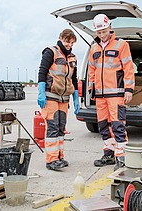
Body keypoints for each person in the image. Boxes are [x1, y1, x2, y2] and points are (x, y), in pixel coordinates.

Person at [88, 14, 135, 170]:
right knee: (103, 125)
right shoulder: (93, 48)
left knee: (118, 125)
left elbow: (128, 68)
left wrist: (128, 89)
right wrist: (91, 89)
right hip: (100, 95)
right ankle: (109, 153)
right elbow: (91, 70)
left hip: (116, 93)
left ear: (110, 28)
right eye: (99, 32)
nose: (102, 34)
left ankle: (121, 157)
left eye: (104, 31)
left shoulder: (122, 45)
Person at [37, 29, 80, 171]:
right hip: (50, 95)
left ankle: (60, 156)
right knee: (53, 127)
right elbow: (42, 72)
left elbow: (73, 78)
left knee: (61, 127)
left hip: (64, 97)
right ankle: (51, 160)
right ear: (60, 38)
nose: (70, 45)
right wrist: (41, 92)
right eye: (67, 41)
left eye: (72, 42)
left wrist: (76, 97)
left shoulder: (73, 57)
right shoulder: (51, 52)